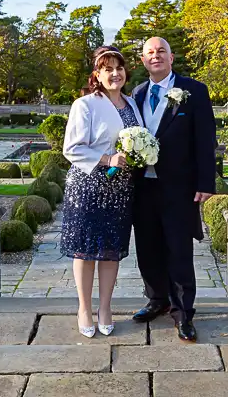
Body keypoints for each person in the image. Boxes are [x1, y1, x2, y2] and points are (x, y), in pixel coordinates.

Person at [131, 36, 217, 342]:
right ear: (143, 60)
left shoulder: (193, 90)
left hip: (179, 187)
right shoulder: (137, 94)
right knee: (147, 248)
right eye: (149, 52)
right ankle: (157, 299)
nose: (155, 56)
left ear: (171, 57)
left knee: (179, 250)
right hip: (143, 187)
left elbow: (206, 139)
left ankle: (183, 313)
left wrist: (206, 182)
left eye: (161, 51)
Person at [60, 46, 144, 338]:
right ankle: (84, 308)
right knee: (85, 251)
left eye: (118, 68)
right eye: (107, 69)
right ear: (97, 74)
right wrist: (107, 159)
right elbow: (71, 148)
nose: (114, 73)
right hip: (89, 187)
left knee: (110, 251)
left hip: (120, 190)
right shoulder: (85, 104)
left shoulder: (132, 105)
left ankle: (105, 308)